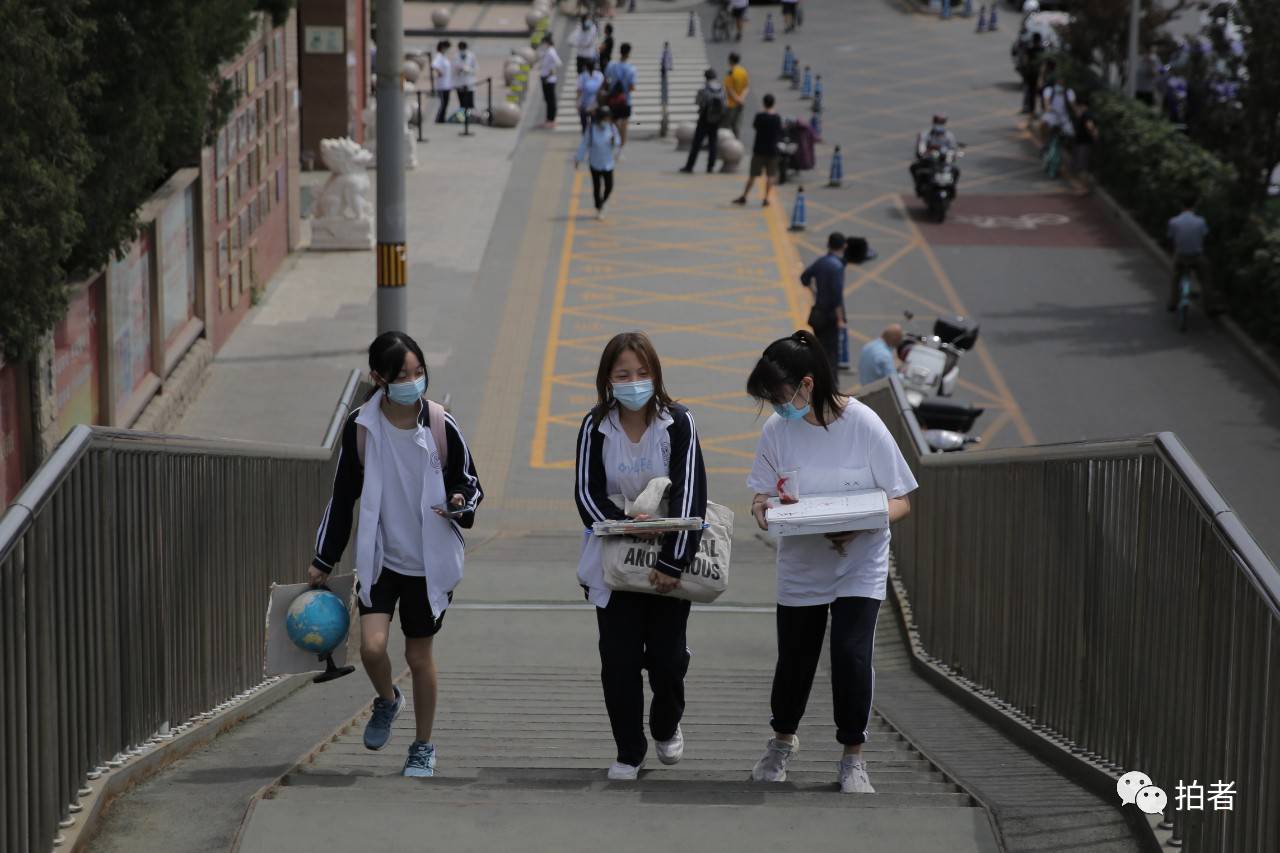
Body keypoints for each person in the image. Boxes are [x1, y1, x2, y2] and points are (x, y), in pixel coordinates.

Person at [744, 331, 917, 795]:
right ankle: (782, 741)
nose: (779, 407)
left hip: (859, 560)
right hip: (803, 563)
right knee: (795, 659)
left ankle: (852, 755)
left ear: (806, 383)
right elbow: (760, 496)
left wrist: (862, 523)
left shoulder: (863, 423)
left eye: (780, 396)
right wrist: (762, 509)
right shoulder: (777, 431)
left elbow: (901, 499)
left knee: (850, 653)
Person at [309, 331, 483, 777]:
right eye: (402, 374)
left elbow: (470, 482)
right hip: (382, 557)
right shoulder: (361, 427)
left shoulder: (442, 424)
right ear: (378, 378)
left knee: (419, 658)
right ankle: (387, 700)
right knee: (371, 649)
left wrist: (461, 502)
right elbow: (342, 495)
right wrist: (323, 558)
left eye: (419, 371)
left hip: (427, 564)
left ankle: (423, 746)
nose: (413, 381)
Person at [574, 331, 708, 781]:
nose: (634, 382)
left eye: (642, 373)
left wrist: (673, 562)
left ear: (656, 374)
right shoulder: (595, 426)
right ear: (607, 380)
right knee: (619, 659)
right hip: (614, 559)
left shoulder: (679, 422)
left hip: (668, 558)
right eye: (623, 374)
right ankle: (630, 751)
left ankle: (666, 724)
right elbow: (585, 493)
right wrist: (622, 524)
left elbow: (691, 493)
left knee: (668, 660)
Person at [799, 233, 848, 378]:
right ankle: (829, 386)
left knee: (818, 349)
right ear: (844, 246)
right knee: (831, 355)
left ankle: (816, 379)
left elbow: (804, 277)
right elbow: (837, 297)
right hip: (830, 317)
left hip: (818, 314)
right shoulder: (837, 266)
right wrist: (840, 319)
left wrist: (815, 291)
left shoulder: (821, 261)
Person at [1166, 198, 1220, 314]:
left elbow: (1170, 238)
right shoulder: (1200, 221)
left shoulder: (1174, 221)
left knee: (1175, 276)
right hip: (1197, 256)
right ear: (1195, 206)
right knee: (1206, 278)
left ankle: (1173, 302)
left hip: (1180, 255)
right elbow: (1205, 236)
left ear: (1181, 206)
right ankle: (1210, 306)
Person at [731, 93, 783, 208]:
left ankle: (744, 196)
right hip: (772, 150)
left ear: (764, 103)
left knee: (753, 175)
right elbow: (780, 131)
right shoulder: (777, 118)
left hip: (759, 150)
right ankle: (766, 198)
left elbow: (755, 126)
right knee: (770, 176)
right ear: (773, 103)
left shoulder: (760, 116)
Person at [576, 106, 622, 220]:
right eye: (605, 118)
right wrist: (578, 159)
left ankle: (603, 201)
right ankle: (599, 207)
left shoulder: (611, 127)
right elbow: (584, 144)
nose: (606, 121)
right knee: (597, 187)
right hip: (595, 163)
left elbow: (618, 141)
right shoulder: (591, 129)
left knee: (609, 186)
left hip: (608, 163)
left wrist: (614, 142)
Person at [680, 69, 726, 174]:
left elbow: (698, 102)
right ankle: (710, 167)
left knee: (696, 143)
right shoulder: (721, 88)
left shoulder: (704, 89)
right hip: (716, 120)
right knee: (713, 143)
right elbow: (724, 104)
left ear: (706, 77)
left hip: (704, 119)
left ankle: (690, 166)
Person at [910, 114, 958, 197]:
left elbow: (953, 149)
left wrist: (953, 155)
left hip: (943, 162)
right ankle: (919, 188)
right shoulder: (925, 134)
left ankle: (952, 188)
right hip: (928, 162)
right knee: (914, 168)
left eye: (942, 122)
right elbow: (921, 149)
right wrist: (926, 151)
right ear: (934, 122)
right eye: (938, 121)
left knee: (956, 171)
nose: (940, 124)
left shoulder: (949, 136)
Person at [603, 43, 637, 150]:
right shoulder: (631, 69)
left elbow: (606, 82)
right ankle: (622, 144)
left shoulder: (611, 65)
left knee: (613, 121)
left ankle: (614, 141)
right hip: (625, 100)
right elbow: (632, 87)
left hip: (613, 99)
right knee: (624, 123)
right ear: (628, 53)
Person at [1070, 94, 1098, 184]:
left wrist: (1094, 135)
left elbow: (1090, 126)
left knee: (1082, 167)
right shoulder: (1083, 114)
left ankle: (1084, 186)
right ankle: (1084, 185)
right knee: (1080, 166)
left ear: (1081, 105)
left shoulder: (1086, 115)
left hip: (1084, 144)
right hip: (1080, 143)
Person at [723, 53, 750, 138]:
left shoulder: (731, 73)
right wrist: (741, 99)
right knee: (736, 125)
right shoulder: (743, 71)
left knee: (726, 125)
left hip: (731, 104)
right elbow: (746, 87)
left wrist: (737, 99)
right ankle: (736, 142)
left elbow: (729, 89)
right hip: (740, 104)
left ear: (730, 60)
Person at [538, 34, 563, 128]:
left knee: (551, 101)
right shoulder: (547, 51)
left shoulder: (551, 52)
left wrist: (551, 73)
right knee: (548, 100)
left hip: (549, 80)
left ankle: (551, 120)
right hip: (545, 79)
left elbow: (558, 63)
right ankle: (548, 119)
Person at [1017, 33, 1045, 115]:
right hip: (1037, 74)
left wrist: (1025, 70)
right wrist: (1042, 75)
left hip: (1030, 74)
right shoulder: (1041, 49)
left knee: (1029, 91)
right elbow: (1043, 64)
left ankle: (1029, 108)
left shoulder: (1029, 48)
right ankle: (1039, 110)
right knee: (1040, 93)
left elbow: (1026, 60)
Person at [577, 58, 605, 132]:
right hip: (596, 104)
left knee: (584, 125)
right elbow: (602, 90)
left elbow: (579, 91)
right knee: (595, 125)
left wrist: (577, 103)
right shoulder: (599, 75)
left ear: (585, 67)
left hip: (584, 104)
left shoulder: (582, 76)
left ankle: (585, 139)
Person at [431, 41, 454, 124]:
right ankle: (439, 119)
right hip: (442, 85)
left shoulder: (444, 57)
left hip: (447, 84)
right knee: (443, 103)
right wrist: (440, 72)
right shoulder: (439, 56)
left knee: (446, 103)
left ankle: (442, 118)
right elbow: (434, 65)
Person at [453, 41, 478, 115]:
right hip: (459, 83)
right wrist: (458, 70)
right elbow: (453, 69)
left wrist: (468, 69)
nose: (462, 50)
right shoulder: (456, 56)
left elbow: (476, 68)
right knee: (462, 103)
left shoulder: (471, 55)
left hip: (469, 82)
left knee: (470, 103)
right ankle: (463, 118)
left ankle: (471, 117)